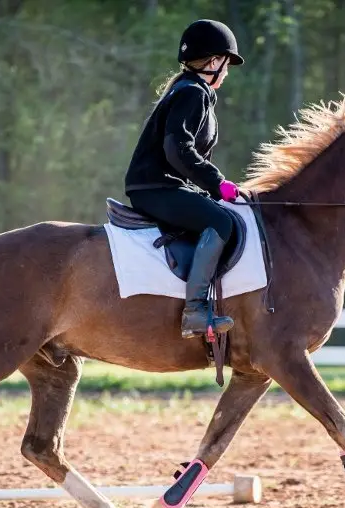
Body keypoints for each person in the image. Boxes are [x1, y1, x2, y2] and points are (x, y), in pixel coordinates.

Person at [124, 19, 244, 339]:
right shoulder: (193, 92)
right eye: (226, 64)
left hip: (162, 185)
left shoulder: (188, 89)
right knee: (222, 223)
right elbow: (178, 149)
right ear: (214, 61)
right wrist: (216, 182)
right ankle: (195, 311)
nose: (227, 72)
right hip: (157, 187)